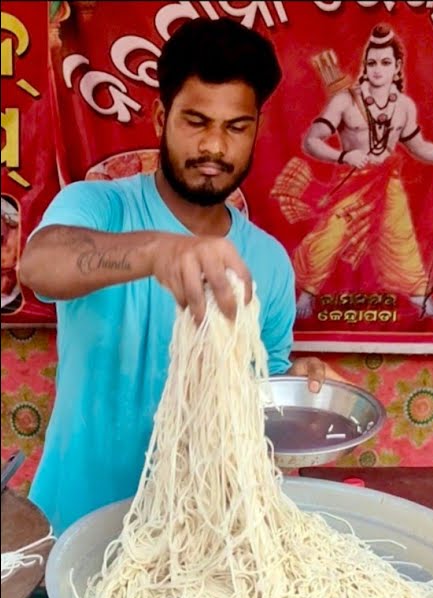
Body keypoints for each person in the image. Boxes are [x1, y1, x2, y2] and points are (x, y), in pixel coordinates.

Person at [17, 18, 330, 535]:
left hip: (202, 544)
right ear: (162, 117)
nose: (214, 147)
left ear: (256, 130)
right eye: (196, 121)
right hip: (72, 529)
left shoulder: (268, 262)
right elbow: (40, 265)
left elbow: (260, 398)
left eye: (235, 127)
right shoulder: (98, 205)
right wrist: (158, 251)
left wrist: (301, 388)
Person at [288, 23, 433, 320]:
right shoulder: (345, 101)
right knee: (331, 235)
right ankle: (307, 294)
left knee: (400, 237)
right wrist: (344, 155)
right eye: (372, 63)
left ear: (397, 67)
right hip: (352, 181)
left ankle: (420, 297)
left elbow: (418, 147)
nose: (377, 70)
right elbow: (311, 141)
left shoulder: (403, 106)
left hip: (387, 180)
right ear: (365, 65)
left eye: (385, 63)